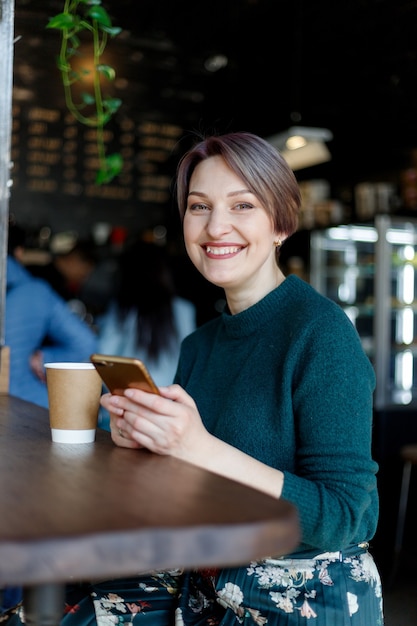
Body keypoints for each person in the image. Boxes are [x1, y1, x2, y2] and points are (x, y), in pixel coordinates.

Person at [2, 132, 383, 625]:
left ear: (281, 223)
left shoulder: (321, 334)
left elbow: (345, 516)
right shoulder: (199, 344)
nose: (216, 227)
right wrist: (146, 441)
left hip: (305, 590)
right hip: (208, 577)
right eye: (199, 207)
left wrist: (196, 446)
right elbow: (191, 483)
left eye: (242, 205)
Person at [96, 237, 196, 428]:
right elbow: (190, 358)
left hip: (128, 409)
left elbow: (103, 356)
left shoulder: (123, 310)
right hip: (169, 411)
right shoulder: (185, 309)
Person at [5, 223, 98, 409]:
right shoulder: (36, 291)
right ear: (19, 252)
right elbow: (86, 344)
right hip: (24, 403)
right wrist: (43, 358)